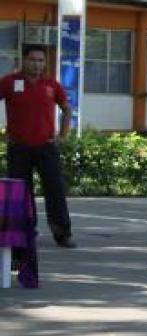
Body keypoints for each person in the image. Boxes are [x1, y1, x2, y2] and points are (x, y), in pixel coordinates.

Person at [0, 45, 75, 248]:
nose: (37, 64)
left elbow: (67, 109)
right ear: (24, 60)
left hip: (46, 147)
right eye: (33, 60)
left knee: (55, 191)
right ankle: (24, 234)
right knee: (21, 194)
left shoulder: (52, 85)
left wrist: (63, 135)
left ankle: (63, 234)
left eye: (41, 60)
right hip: (19, 148)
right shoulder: (9, 82)